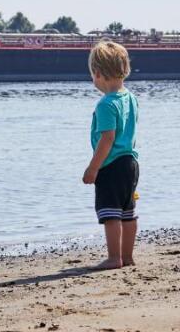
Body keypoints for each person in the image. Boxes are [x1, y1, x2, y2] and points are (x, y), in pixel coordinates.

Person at [82, 41, 139, 270]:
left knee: (110, 213)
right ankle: (127, 256)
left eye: (92, 75)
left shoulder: (106, 104)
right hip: (131, 163)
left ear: (97, 73)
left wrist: (93, 168)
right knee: (128, 211)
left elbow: (107, 138)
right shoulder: (130, 97)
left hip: (112, 165)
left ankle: (114, 257)